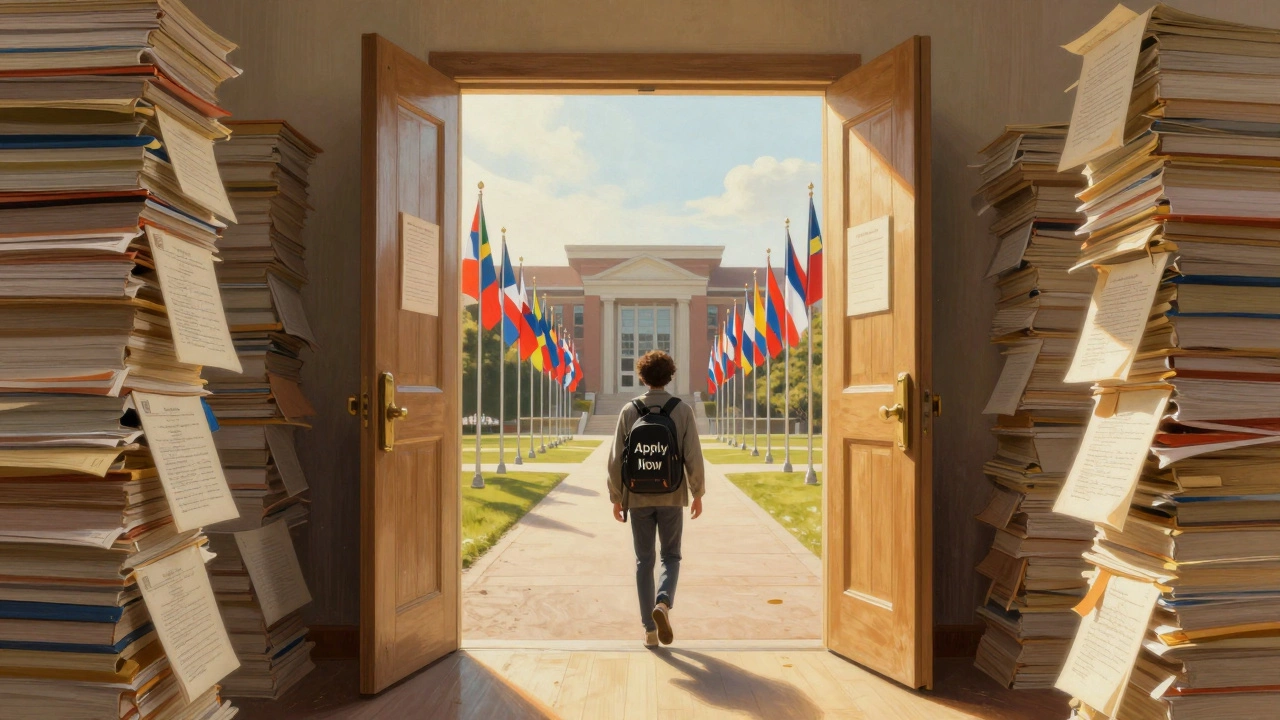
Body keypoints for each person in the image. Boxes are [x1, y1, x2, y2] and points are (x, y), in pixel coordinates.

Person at [607, 349, 705, 648]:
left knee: (644, 560)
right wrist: (697, 492)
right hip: (672, 494)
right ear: (670, 376)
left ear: (642, 377)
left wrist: (616, 497)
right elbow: (693, 455)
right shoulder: (682, 410)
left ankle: (649, 631)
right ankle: (663, 602)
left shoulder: (629, 410)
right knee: (671, 556)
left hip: (638, 496)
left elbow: (616, 459)